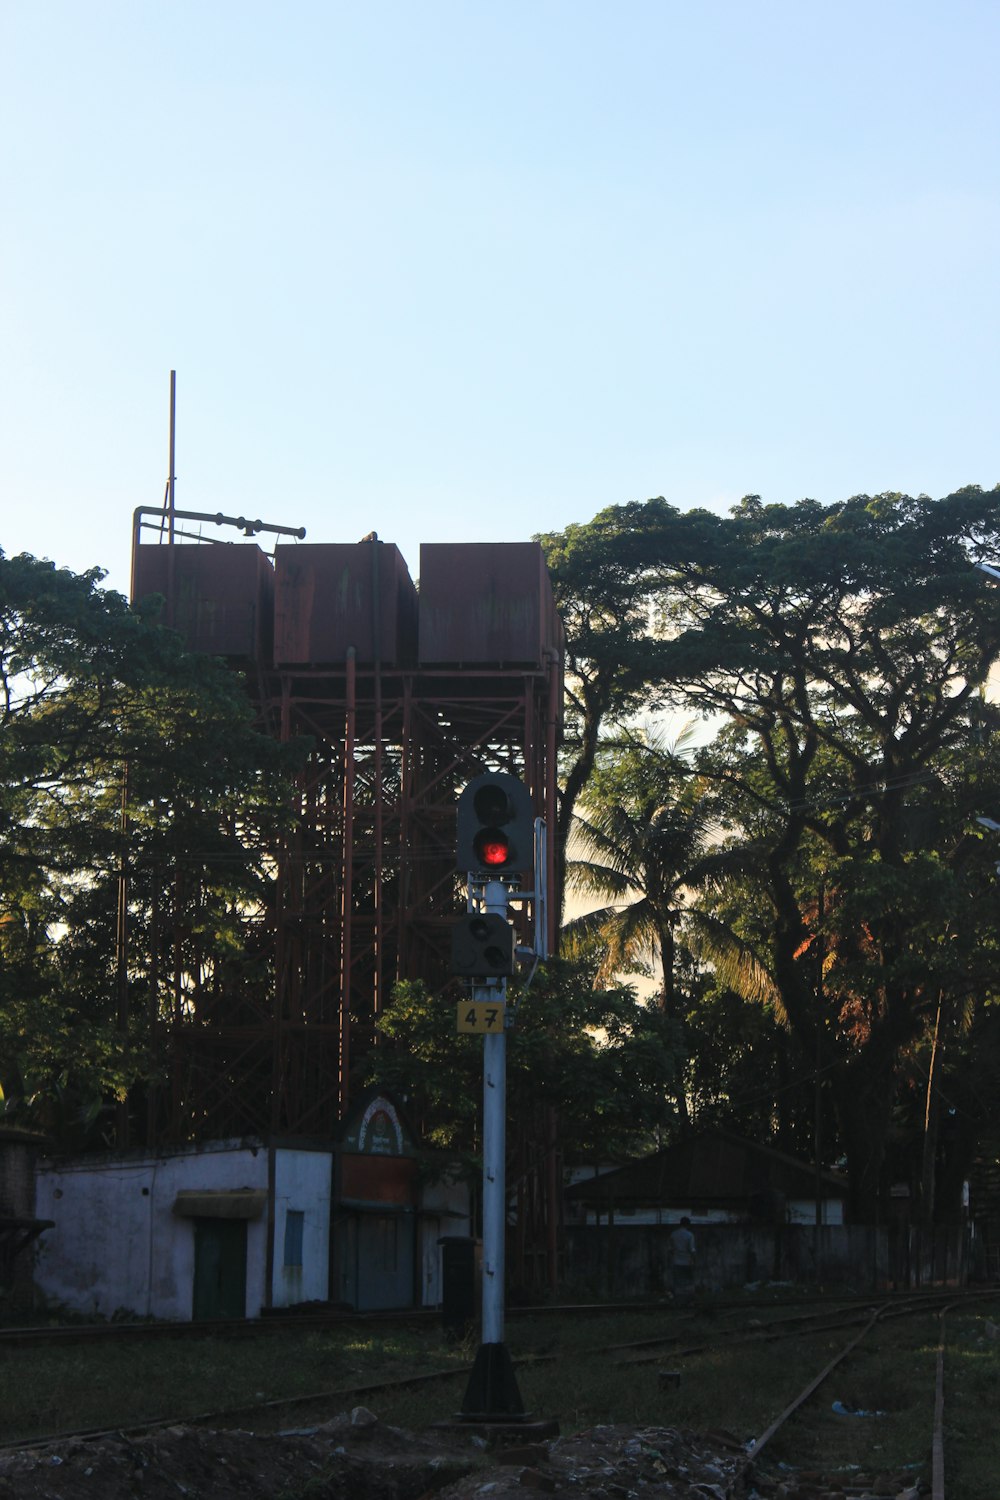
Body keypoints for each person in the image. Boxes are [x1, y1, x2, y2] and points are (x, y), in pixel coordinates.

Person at [669, 1216, 696, 1304]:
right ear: (688, 1225)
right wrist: (693, 1259)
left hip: (676, 1261)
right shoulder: (690, 1235)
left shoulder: (673, 1234)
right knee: (688, 1281)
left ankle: (679, 1299)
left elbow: (670, 1249)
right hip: (687, 1261)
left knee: (678, 1281)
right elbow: (692, 1249)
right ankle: (689, 1300)